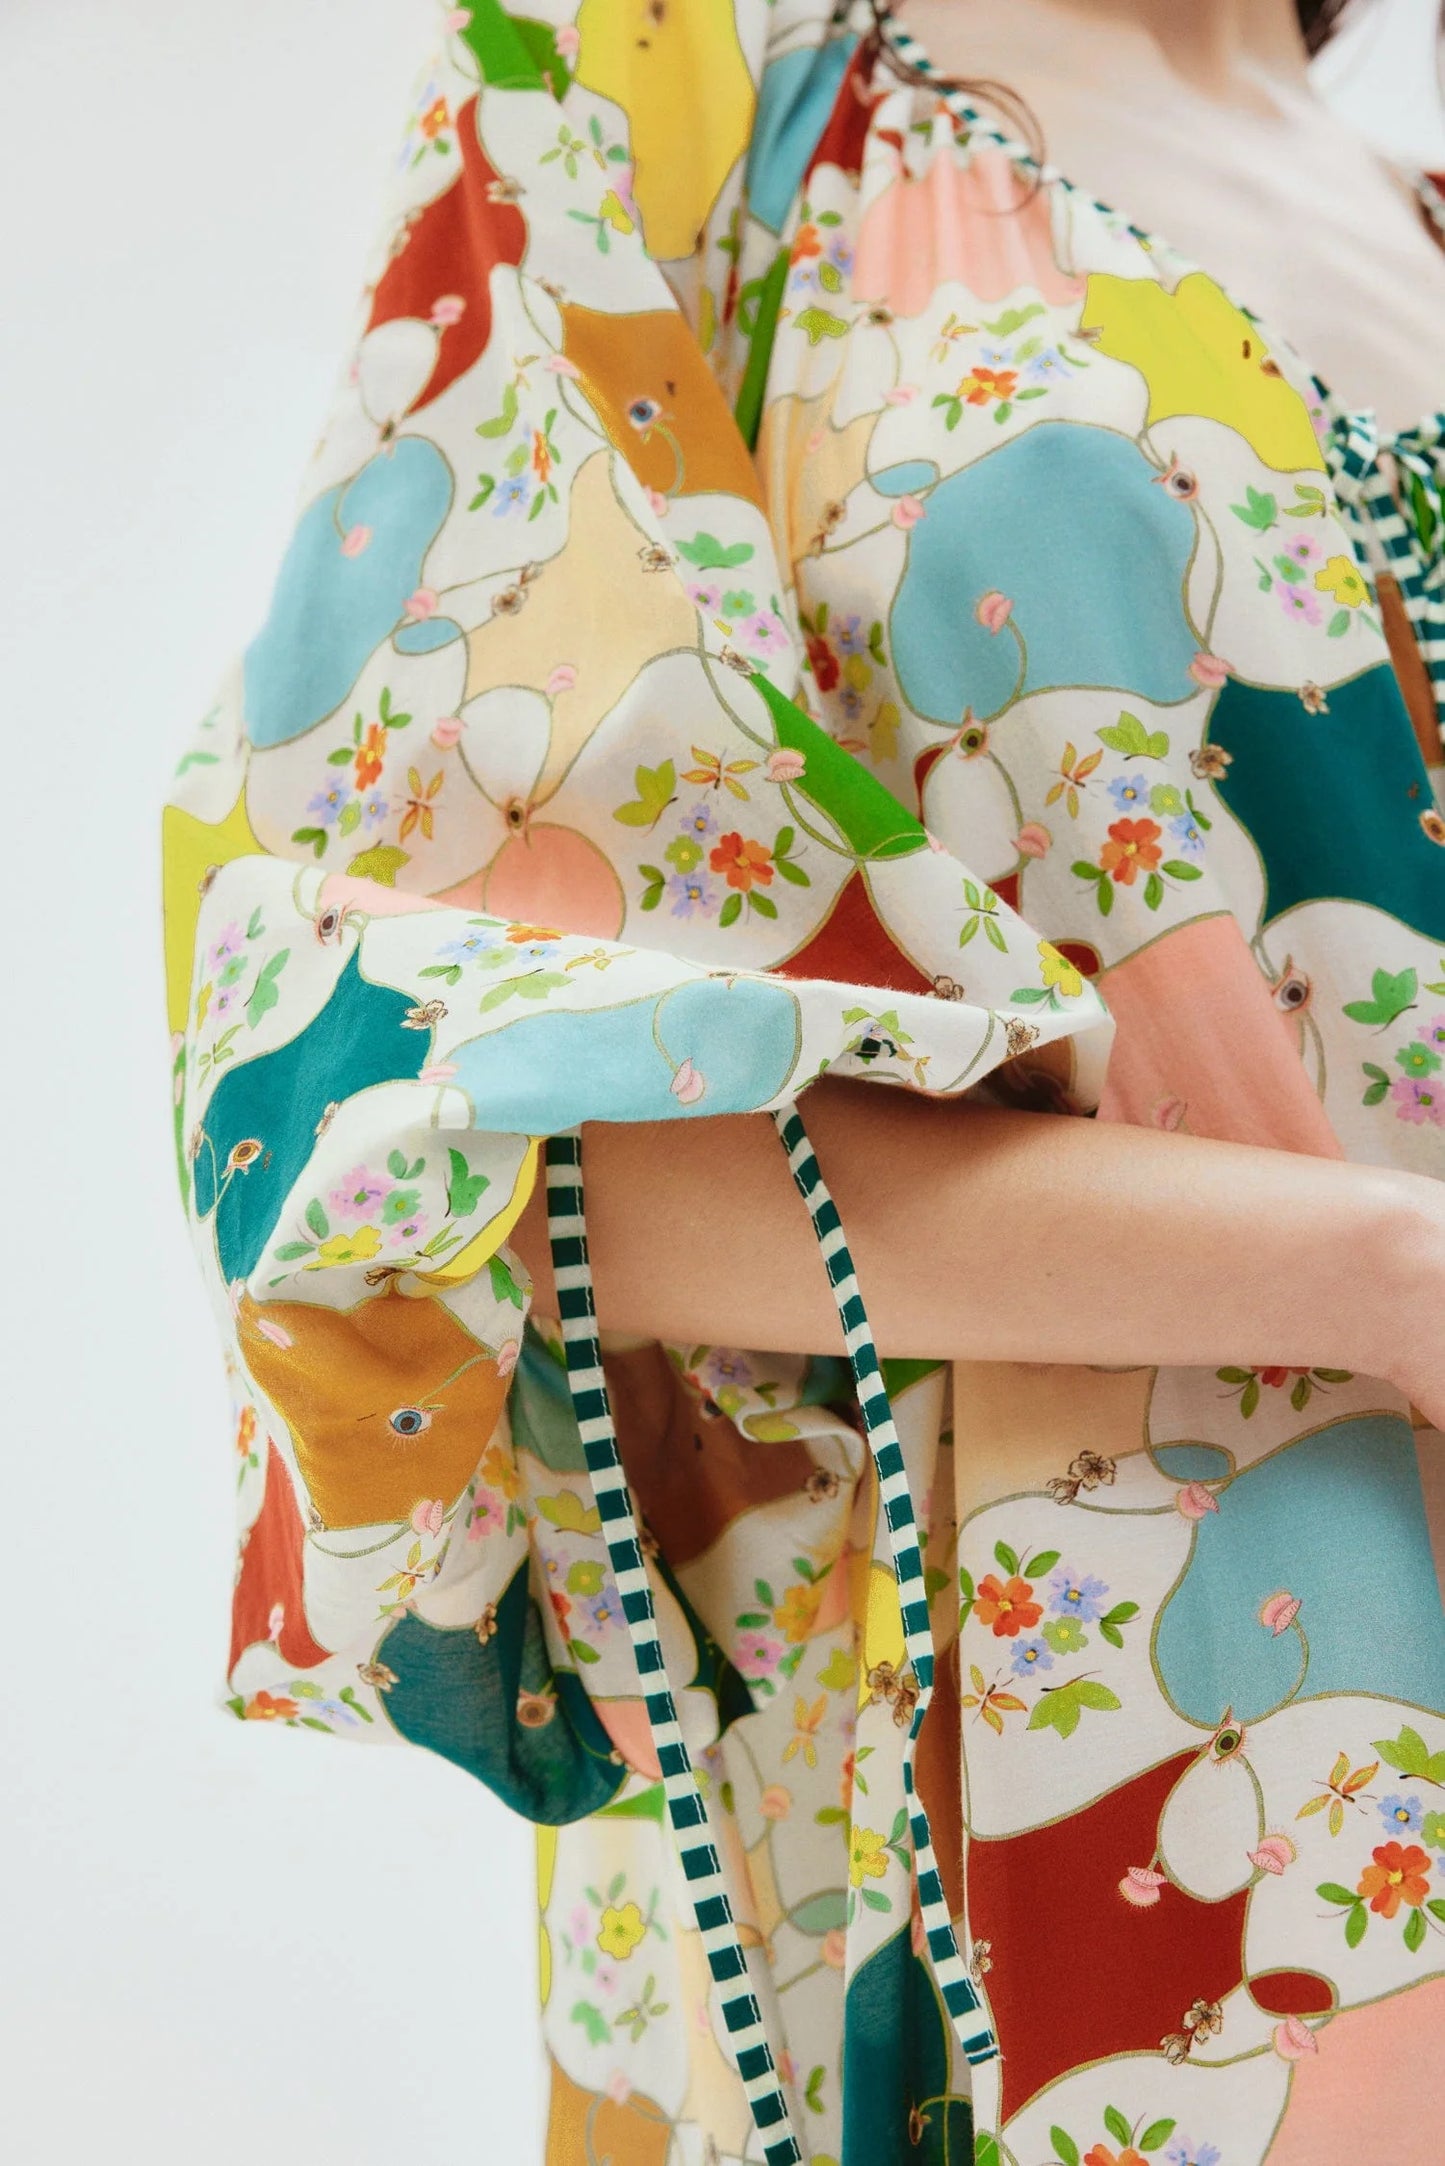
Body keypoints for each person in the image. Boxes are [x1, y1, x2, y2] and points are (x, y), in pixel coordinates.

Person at [162, 1, 1445, 2158]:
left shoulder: (1411, 203)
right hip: (1131, 1791)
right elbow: (397, 1106)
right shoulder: (662, 103)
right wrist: (1388, 1272)